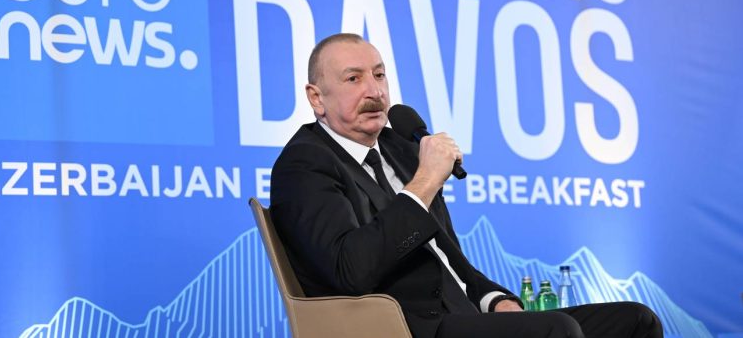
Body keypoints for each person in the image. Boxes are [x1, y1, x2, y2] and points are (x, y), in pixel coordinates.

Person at [270, 33, 663, 338]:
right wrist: (425, 181)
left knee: (634, 321)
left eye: (379, 74)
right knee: (556, 331)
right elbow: (349, 270)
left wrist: (494, 299)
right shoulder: (304, 164)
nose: (374, 91)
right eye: (354, 78)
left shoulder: (399, 148)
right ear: (316, 98)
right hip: (408, 326)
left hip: (463, 315)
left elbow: (447, 257)